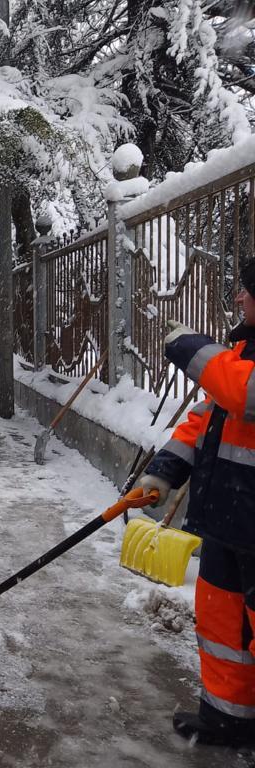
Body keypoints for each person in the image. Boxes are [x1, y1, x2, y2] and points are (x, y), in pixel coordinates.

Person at [136, 259, 255, 748]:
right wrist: (164, 472)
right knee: (224, 627)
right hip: (230, 517)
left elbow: (243, 391)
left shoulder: (237, 365)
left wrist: (191, 348)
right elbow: (209, 417)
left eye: (247, 291)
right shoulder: (245, 350)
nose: (239, 299)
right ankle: (229, 717)